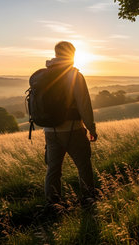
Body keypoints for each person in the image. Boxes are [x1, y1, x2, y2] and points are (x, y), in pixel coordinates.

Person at [42, 41, 98, 209]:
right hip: (72, 129)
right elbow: (84, 105)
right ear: (72, 54)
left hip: (50, 131)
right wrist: (91, 128)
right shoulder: (74, 75)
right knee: (83, 165)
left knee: (53, 169)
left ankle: (53, 204)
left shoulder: (44, 75)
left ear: (56, 53)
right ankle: (88, 200)